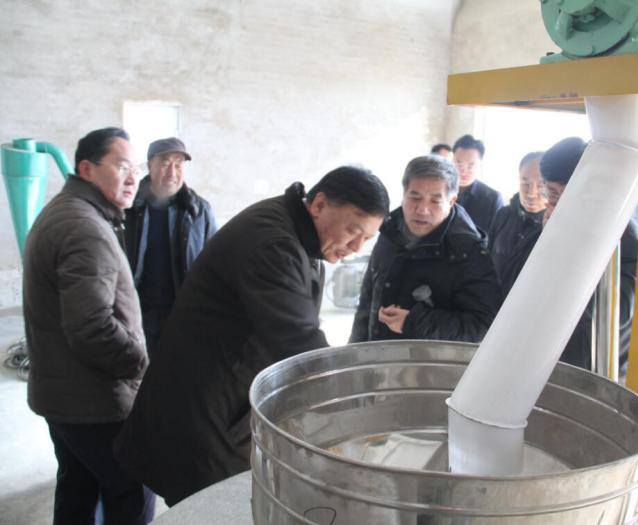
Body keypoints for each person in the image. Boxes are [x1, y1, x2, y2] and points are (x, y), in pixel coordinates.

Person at [114, 167, 390, 505]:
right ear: (319, 205)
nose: (356, 247)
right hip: (202, 409)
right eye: (353, 231)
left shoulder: (294, 230)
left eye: (367, 239)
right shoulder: (272, 243)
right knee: (209, 506)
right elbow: (298, 341)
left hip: (222, 399)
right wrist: (365, 405)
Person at [23, 127, 154, 524]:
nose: (132, 178)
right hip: (93, 403)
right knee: (131, 492)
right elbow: (92, 327)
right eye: (121, 167)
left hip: (65, 397)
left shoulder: (69, 212)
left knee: (78, 489)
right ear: (86, 169)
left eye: (135, 169)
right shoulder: (84, 228)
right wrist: (140, 365)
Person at [349, 155, 501, 343]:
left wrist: (414, 322)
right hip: (379, 354)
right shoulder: (390, 229)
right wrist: (355, 351)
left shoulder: (468, 250)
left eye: (435, 201)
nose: (422, 210)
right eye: (415, 197)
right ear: (404, 193)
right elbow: (367, 300)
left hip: (429, 360)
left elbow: (483, 326)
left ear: (452, 201)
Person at [540, 137, 638, 370]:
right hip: (549, 353)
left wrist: (561, 244)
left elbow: (617, 313)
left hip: (593, 363)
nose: (551, 202)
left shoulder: (622, 235)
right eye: (549, 192)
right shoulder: (552, 222)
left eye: (556, 193)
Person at [124, 137, 217, 352]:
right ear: (150, 165)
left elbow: (215, 264)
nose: (172, 172)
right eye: (165, 163)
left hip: (181, 314)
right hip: (136, 314)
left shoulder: (199, 210)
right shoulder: (129, 207)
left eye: (178, 164)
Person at [489, 151, 546, 290]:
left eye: (541, 185)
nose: (531, 193)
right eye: (525, 183)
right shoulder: (503, 215)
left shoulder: (554, 226)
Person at [452, 134, 504, 234]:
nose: (463, 171)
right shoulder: (440, 190)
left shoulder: (493, 198)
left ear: (480, 165)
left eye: (471, 165)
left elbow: (496, 236)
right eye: (459, 163)